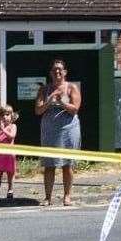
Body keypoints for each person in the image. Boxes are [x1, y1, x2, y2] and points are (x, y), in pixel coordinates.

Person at [34, 58, 82, 206]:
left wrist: (61, 102)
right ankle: (48, 197)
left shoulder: (71, 87)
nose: (57, 72)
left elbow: (75, 109)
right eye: (54, 69)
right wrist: (49, 101)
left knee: (67, 164)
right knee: (49, 165)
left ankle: (67, 196)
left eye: (60, 69)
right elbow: (38, 110)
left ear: (65, 72)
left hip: (68, 130)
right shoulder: (44, 89)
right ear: (51, 73)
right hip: (50, 131)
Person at [0, 104, 18, 200]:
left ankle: (10, 190)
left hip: (9, 154)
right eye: (2, 115)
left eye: (7, 114)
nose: (4, 117)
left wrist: (4, 130)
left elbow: (12, 136)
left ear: (11, 116)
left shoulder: (13, 126)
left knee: (10, 173)